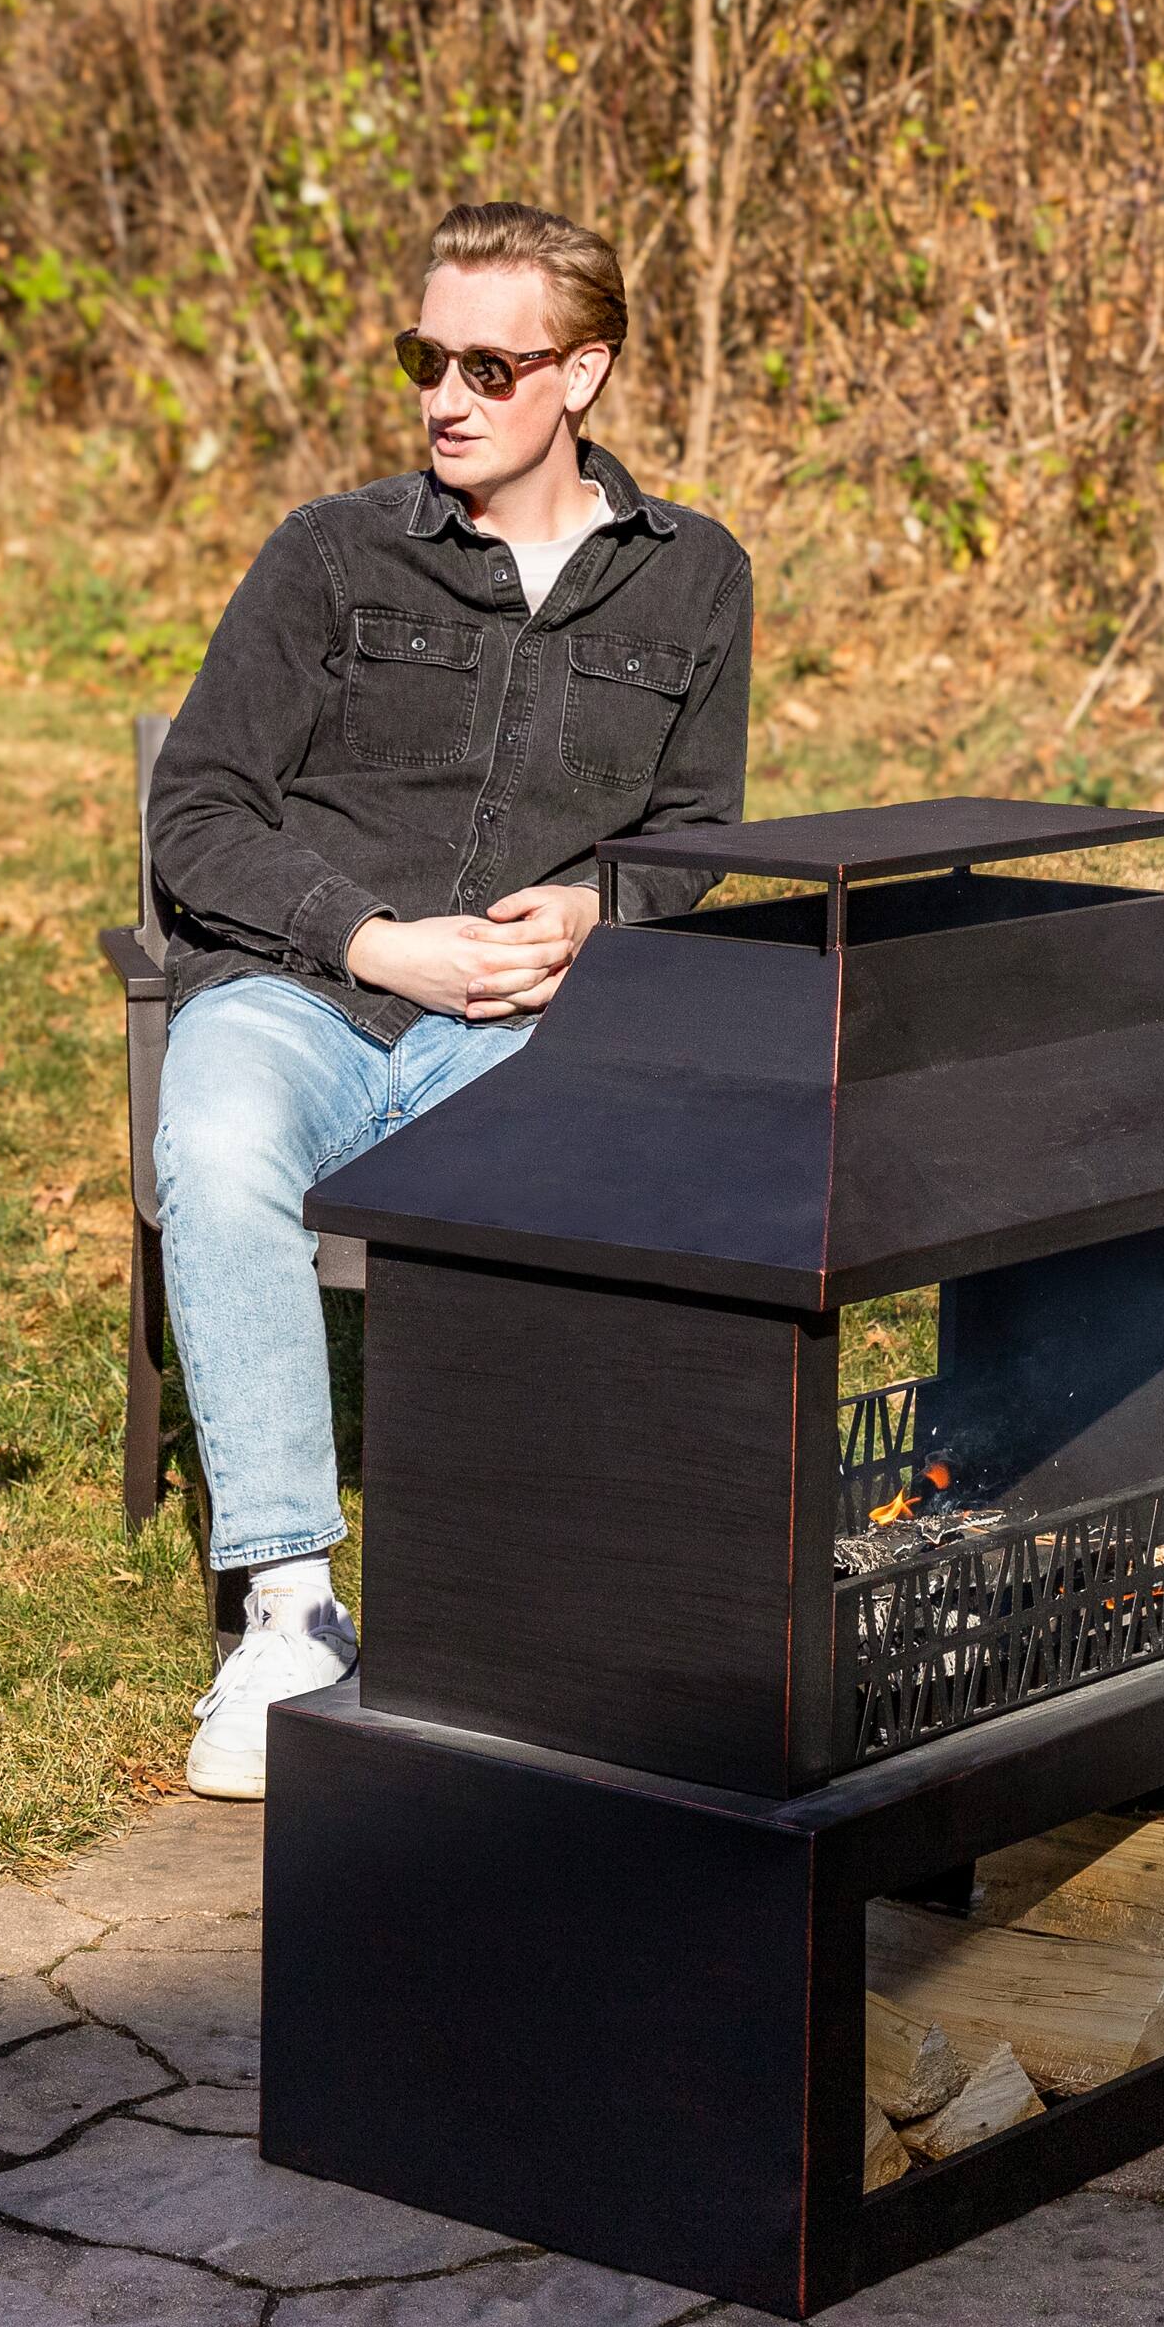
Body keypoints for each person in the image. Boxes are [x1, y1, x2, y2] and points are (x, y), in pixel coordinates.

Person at [147, 202, 752, 1796]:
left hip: (527, 1028)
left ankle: (502, 1610)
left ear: (586, 375)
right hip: (300, 994)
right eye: (429, 357)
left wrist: (598, 908)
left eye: (493, 362)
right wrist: (374, 940)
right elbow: (197, 812)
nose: (447, 396)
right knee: (213, 1150)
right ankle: (286, 1612)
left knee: (526, 1192)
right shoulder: (330, 557)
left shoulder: (691, 580)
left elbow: (696, 838)